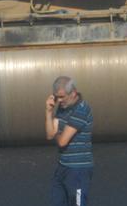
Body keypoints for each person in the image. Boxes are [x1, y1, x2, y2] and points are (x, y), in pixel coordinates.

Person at [45, 76, 93, 206]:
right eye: (57, 97)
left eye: (62, 97)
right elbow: (49, 134)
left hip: (78, 170)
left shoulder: (82, 109)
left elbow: (62, 141)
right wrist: (48, 112)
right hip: (63, 167)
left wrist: (56, 133)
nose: (59, 101)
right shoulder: (62, 108)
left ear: (73, 93)